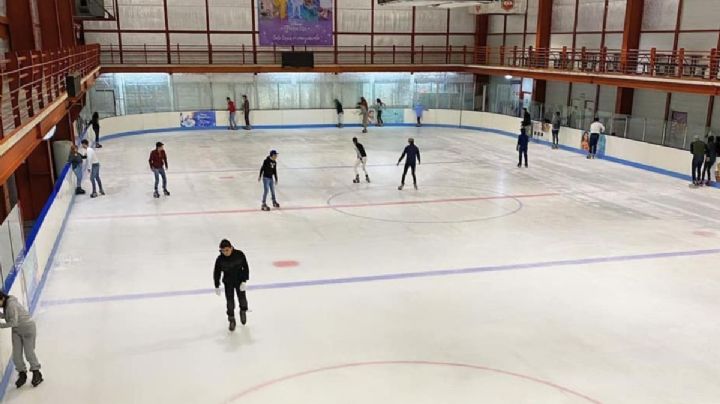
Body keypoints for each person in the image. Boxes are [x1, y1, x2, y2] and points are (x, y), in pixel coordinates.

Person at [0, 290, 43, 388]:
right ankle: (22, 373)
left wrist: (0, 325)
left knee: (29, 353)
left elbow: (13, 322)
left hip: (27, 328)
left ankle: (36, 372)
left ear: (2, 298)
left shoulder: (11, 305)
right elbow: (7, 316)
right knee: (16, 355)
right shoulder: (6, 304)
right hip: (16, 331)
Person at [213, 239, 250, 331]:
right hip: (228, 282)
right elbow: (216, 272)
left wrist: (244, 280)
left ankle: (243, 311)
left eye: (227, 250)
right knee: (230, 302)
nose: (225, 252)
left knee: (242, 300)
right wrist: (217, 285)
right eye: (223, 251)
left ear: (231, 248)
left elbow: (245, 267)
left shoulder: (239, 254)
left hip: (239, 281)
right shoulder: (220, 259)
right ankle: (231, 319)